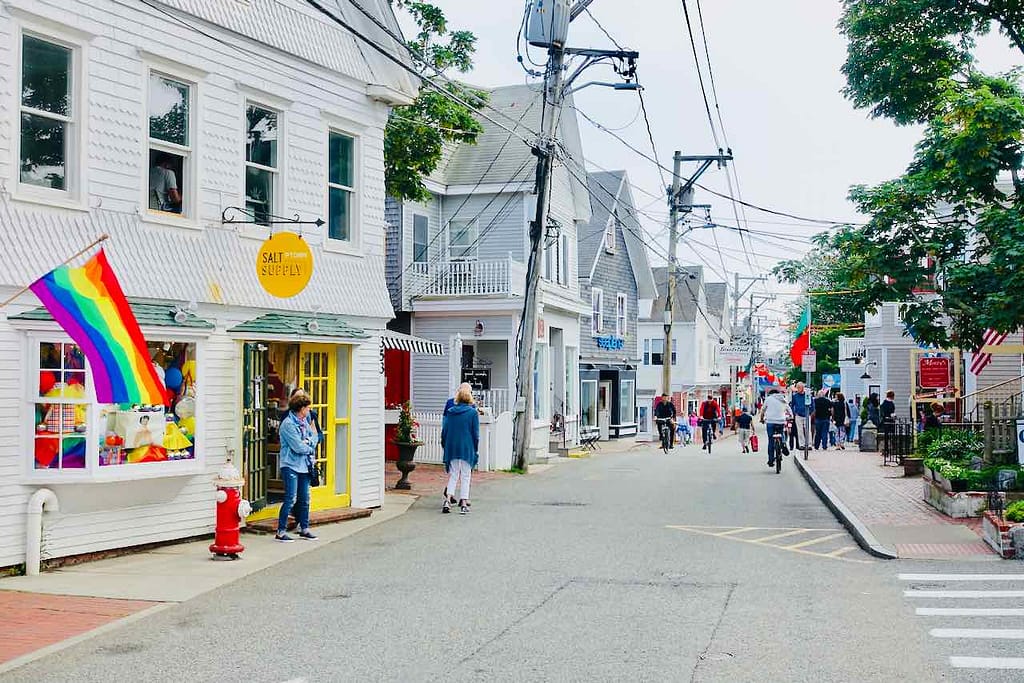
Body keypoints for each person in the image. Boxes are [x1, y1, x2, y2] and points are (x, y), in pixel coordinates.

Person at [276, 393, 319, 542]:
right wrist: (310, 445)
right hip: (291, 465)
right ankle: (281, 531)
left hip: (305, 465)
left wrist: (309, 442)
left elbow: (315, 436)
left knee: (305, 498)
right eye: (307, 408)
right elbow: (298, 447)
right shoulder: (288, 424)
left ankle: (304, 528)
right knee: (291, 498)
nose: (309, 410)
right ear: (301, 409)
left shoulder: (304, 421)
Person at [441, 383, 480, 514]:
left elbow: (445, 429)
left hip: (452, 446)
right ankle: (464, 502)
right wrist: (475, 448)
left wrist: (444, 443)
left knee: (453, 475)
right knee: (465, 475)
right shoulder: (473, 413)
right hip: (466, 446)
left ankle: (448, 499)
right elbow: (475, 434)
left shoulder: (451, 412)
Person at [759, 388, 793, 468]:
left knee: (771, 440)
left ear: (770, 394)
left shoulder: (768, 399)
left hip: (770, 422)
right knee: (781, 433)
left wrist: (761, 418)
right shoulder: (782, 399)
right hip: (781, 421)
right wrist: (791, 416)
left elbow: (763, 410)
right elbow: (789, 409)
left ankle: (771, 460)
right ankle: (783, 444)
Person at [789, 382, 810, 451]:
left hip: (806, 414)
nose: (798, 389)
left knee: (807, 430)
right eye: (797, 387)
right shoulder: (795, 396)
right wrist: (794, 413)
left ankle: (809, 444)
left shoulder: (807, 395)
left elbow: (812, 404)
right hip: (798, 415)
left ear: (803, 388)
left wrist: (810, 412)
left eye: (799, 387)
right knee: (800, 430)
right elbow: (792, 405)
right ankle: (802, 444)